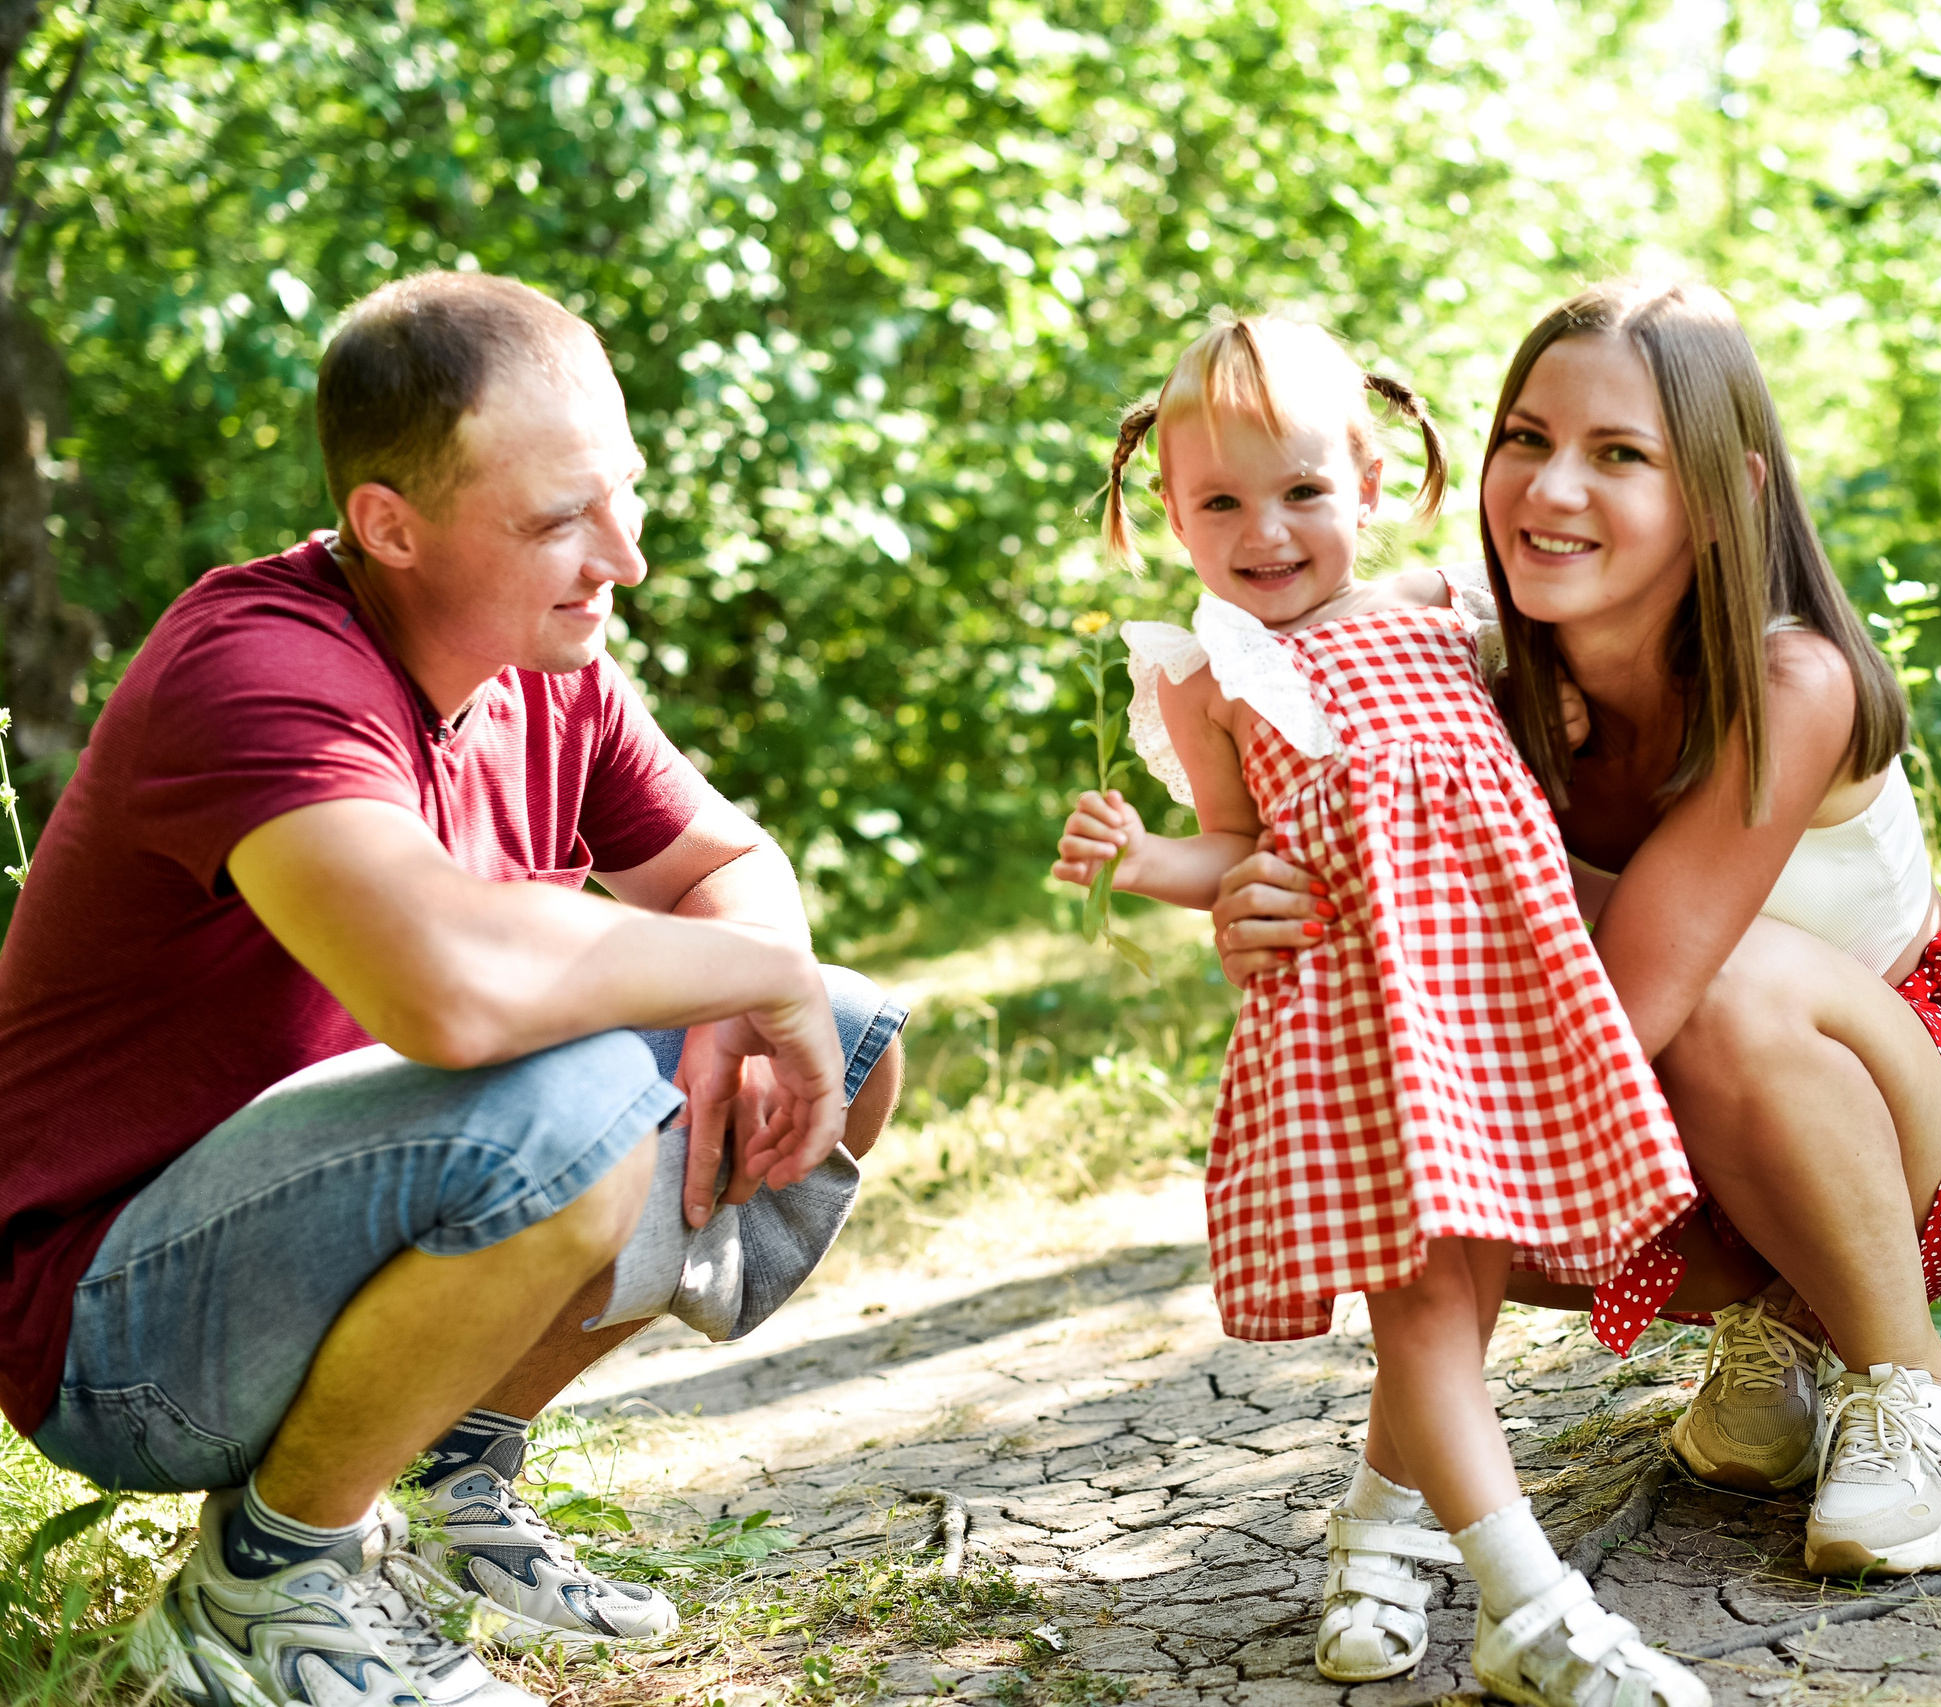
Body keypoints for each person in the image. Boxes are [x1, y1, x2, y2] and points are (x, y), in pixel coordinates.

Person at [0, 272, 907, 1707]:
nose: (625, 557)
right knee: (575, 1100)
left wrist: (765, 989)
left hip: (341, 1226)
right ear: (388, 526)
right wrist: (752, 973)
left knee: (845, 1039)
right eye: (558, 521)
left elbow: (727, 861)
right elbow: (453, 997)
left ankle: (445, 1483)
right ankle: (272, 1578)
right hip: (125, 1329)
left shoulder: (546, 664)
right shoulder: (258, 670)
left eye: (627, 497)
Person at [1205, 281, 1941, 1578]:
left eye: (1618, 455)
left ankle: (1916, 1388)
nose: (1552, 491)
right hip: (1674, 1150)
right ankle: (1781, 1329)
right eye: (1526, 439)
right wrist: (1260, 894)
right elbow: (1279, 697)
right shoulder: (1460, 654)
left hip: (1918, 1141)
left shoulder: (1794, 681)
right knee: (1397, 1126)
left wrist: (1469, 869)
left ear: (1724, 496)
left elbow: (1625, 1006)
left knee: (1720, 990)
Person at [1050, 317, 1707, 1707]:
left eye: (1301, 491)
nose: (1265, 532)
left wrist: (1565, 728)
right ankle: (1528, 1605)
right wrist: (1147, 861)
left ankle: (1376, 1535)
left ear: (1371, 476)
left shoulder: (1436, 611)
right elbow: (1242, 849)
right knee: (1420, 1288)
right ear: (1164, 514)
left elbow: (1534, 733)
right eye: (1219, 502)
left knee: (1461, 1290)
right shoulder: (1208, 666)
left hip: (1490, 993)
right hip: (1356, 1009)